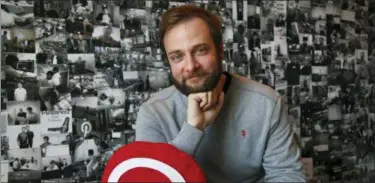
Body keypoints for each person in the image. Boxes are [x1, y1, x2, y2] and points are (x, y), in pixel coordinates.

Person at [135, 5, 306, 182]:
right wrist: (193, 128)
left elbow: (288, 175)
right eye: (177, 56)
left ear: (221, 51)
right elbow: (150, 179)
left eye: (200, 50)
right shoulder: (153, 113)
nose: (191, 66)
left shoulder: (267, 103)